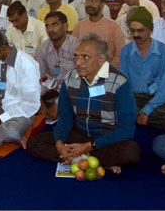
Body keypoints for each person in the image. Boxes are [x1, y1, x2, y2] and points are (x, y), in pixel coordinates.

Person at [27, 33, 141, 174]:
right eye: (76, 56)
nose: (78, 62)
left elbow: (127, 129)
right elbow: (65, 117)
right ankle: (87, 159)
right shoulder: (70, 78)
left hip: (106, 138)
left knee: (131, 152)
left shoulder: (120, 82)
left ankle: (79, 157)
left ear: (101, 60)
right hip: (80, 133)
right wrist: (60, 143)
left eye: (85, 57)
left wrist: (89, 146)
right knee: (34, 143)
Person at [120, 7, 165, 130]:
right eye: (132, 31)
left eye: (140, 31)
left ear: (150, 29)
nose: (136, 35)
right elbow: (124, 84)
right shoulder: (126, 51)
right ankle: (142, 118)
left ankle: (139, 118)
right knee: (115, 109)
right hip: (133, 98)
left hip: (156, 98)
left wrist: (147, 110)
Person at [34, 11, 79, 121]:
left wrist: (58, 103)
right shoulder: (42, 49)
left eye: (55, 24)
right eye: (47, 26)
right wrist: (38, 100)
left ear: (65, 26)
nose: (50, 29)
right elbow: (37, 78)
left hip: (73, 93)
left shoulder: (77, 46)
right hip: (51, 91)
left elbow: (79, 82)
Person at [72, 0, 125, 68]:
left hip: (108, 73)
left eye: (94, 1)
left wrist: (106, 70)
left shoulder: (114, 26)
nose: (89, 4)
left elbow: (120, 54)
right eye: (87, 0)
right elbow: (73, 51)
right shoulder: (79, 26)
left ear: (102, 5)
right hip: (83, 70)